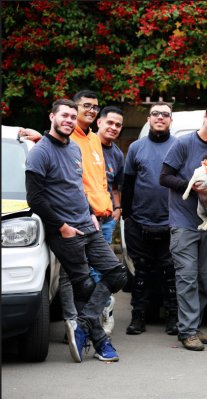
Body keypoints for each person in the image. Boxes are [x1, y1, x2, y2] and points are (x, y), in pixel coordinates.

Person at [25, 99, 127, 362]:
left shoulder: (74, 148)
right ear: (52, 117)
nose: (69, 120)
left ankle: (81, 324)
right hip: (65, 232)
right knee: (83, 285)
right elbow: (35, 199)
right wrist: (62, 227)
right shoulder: (40, 152)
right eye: (65, 116)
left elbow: (76, 187)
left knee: (117, 275)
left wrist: (92, 214)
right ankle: (102, 343)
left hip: (88, 224)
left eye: (73, 116)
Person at [160, 99, 207, 351]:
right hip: (183, 223)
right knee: (187, 276)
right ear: (206, 116)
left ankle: (193, 323)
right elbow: (164, 177)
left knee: (206, 279)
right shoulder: (183, 143)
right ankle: (188, 331)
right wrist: (193, 189)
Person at [121, 102, 178, 336]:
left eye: (165, 115)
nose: (160, 118)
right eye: (156, 114)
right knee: (141, 272)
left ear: (170, 120)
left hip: (172, 221)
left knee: (170, 272)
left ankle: (174, 317)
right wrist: (127, 216)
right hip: (140, 221)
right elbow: (128, 184)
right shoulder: (136, 147)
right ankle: (138, 317)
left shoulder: (179, 146)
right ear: (148, 119)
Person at [96, 105, 125, 334]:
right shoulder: (85, 145)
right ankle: (92, 312)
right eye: (110, 123)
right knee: (84, 270)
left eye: (118, 125)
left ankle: (99, 312)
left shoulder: (117, 153)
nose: (114, 128)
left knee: (100, 268)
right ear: (99, 122)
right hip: (83, 218)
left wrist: (117, 209)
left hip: (106, 219)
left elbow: (115, 186)